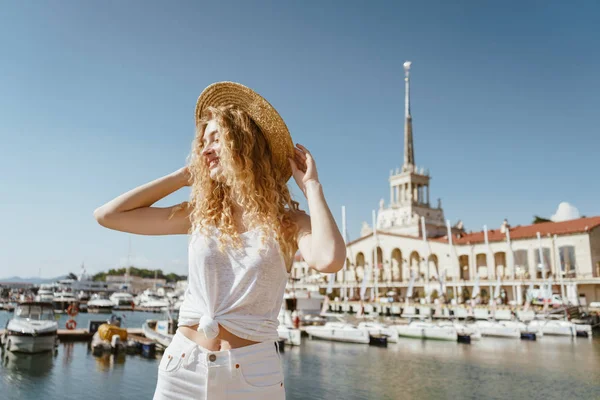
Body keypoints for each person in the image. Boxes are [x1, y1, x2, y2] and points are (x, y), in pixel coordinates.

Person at [93, 81, 346, 399]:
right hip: (182, 369)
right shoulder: (201, 213)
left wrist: (311, 187)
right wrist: (183, 176)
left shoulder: (287, 222)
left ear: (244, 143)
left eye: (216, 139)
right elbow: (109, 216)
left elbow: (329, 259)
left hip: (254, 377)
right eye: (203, 142)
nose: (205, 149)